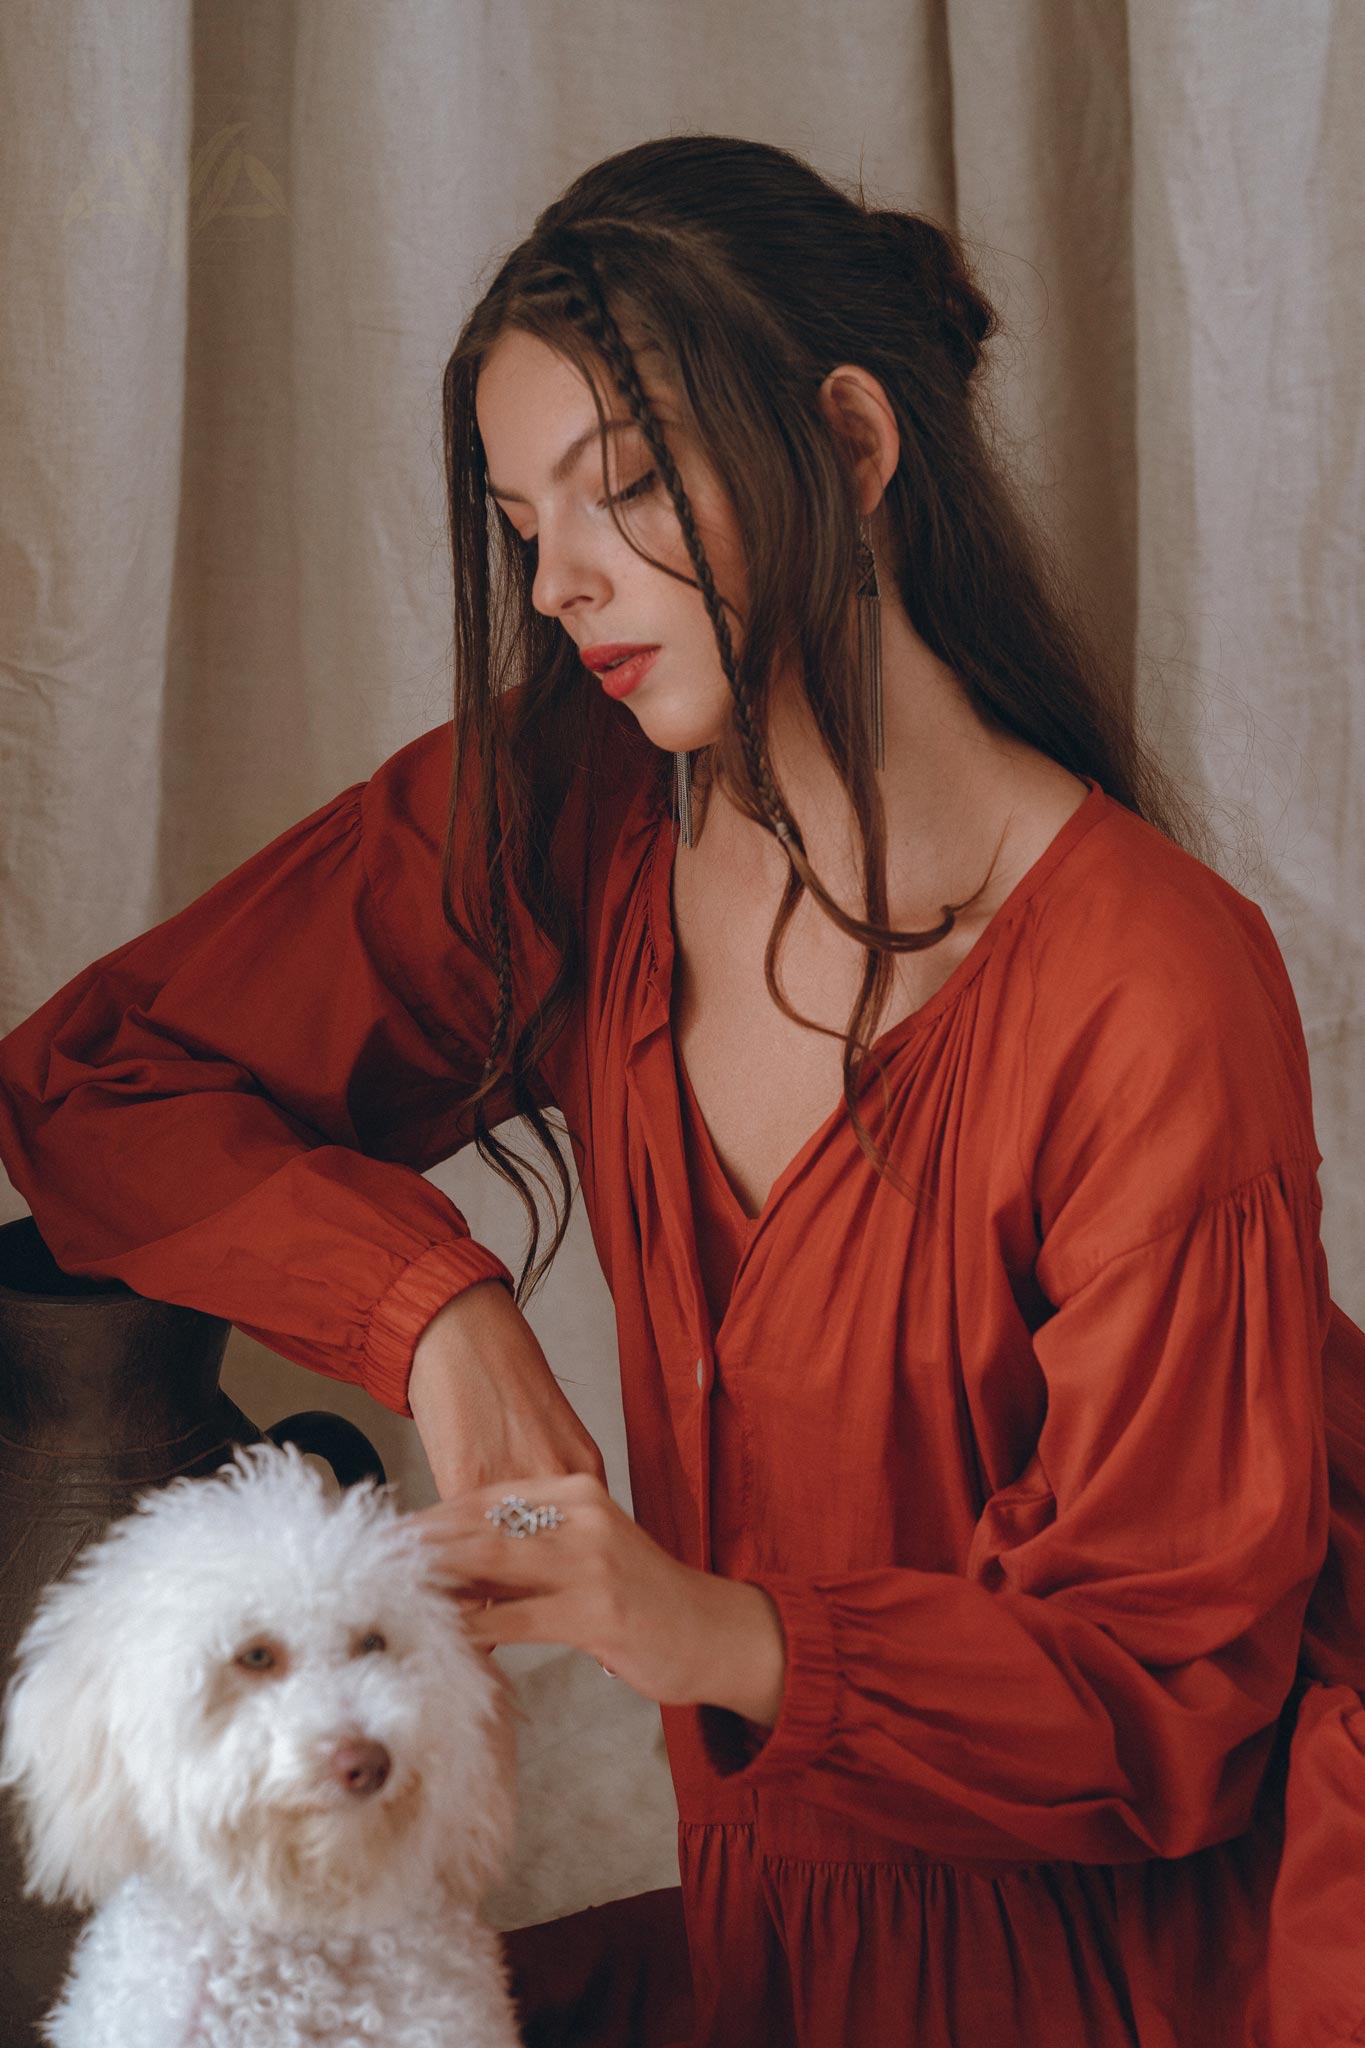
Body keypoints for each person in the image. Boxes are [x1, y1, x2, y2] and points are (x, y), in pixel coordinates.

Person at [1, 132, 1362, 2047]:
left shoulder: (1151, 982)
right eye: (519, 515)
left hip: (1105, 1971)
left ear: (856, 448)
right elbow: (98, 1081)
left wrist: (688, 1623)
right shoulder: (572, 811)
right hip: (761, 1947)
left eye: (624, 491)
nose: (558, 579)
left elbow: (1167, 1699)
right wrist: (436, 1313)